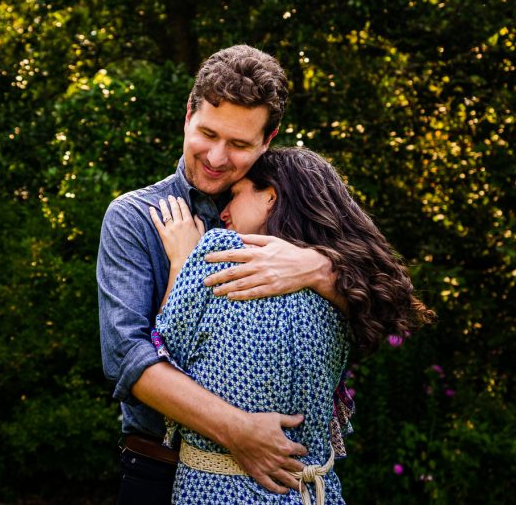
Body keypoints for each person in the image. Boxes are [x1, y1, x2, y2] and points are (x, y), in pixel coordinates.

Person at [97, 46, 343, 504]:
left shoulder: (292, 205)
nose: (216, 156)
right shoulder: (134, 217)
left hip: (286, 474)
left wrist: (321, 269)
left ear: (268, 140)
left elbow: (378, 307)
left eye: (239, 144)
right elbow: (127, 358)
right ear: (188, 115)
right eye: (207, 133)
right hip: (161, 469)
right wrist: (237, 431)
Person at [149, 147, 434, 503]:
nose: (223, 212)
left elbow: (166, 353)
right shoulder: (345, 283)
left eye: (235, 195)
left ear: (270, 196)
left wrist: (182, 260)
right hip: (313, 491)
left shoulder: (220, 252)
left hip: (223, 490)